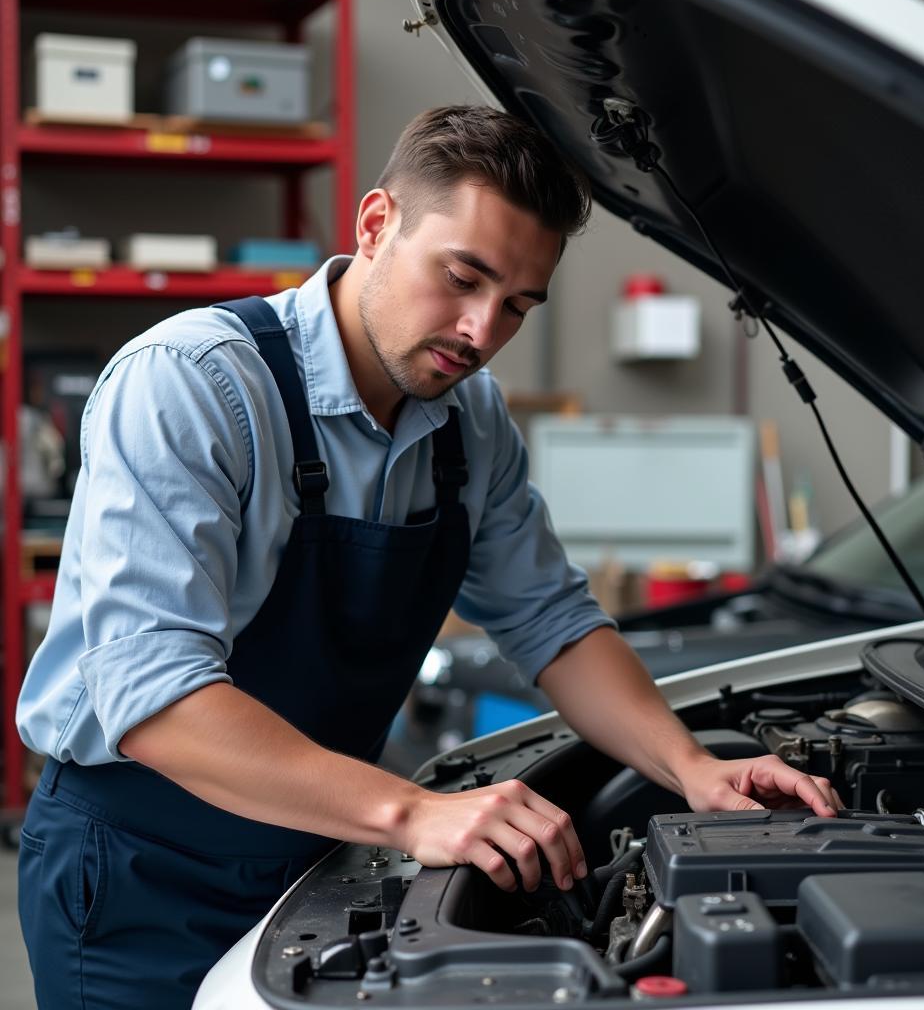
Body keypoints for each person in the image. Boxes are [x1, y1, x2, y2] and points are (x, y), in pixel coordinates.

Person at [16, 106, 842, 1009]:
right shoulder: (192, 384)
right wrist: (412, 813)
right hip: (140, 867)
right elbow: (153, 700)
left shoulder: (469, 421)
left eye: (517, 306)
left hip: (315, 841)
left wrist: (691, 767)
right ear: (376, 226)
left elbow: (554, 623)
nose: (481, 331)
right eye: (463, 278)